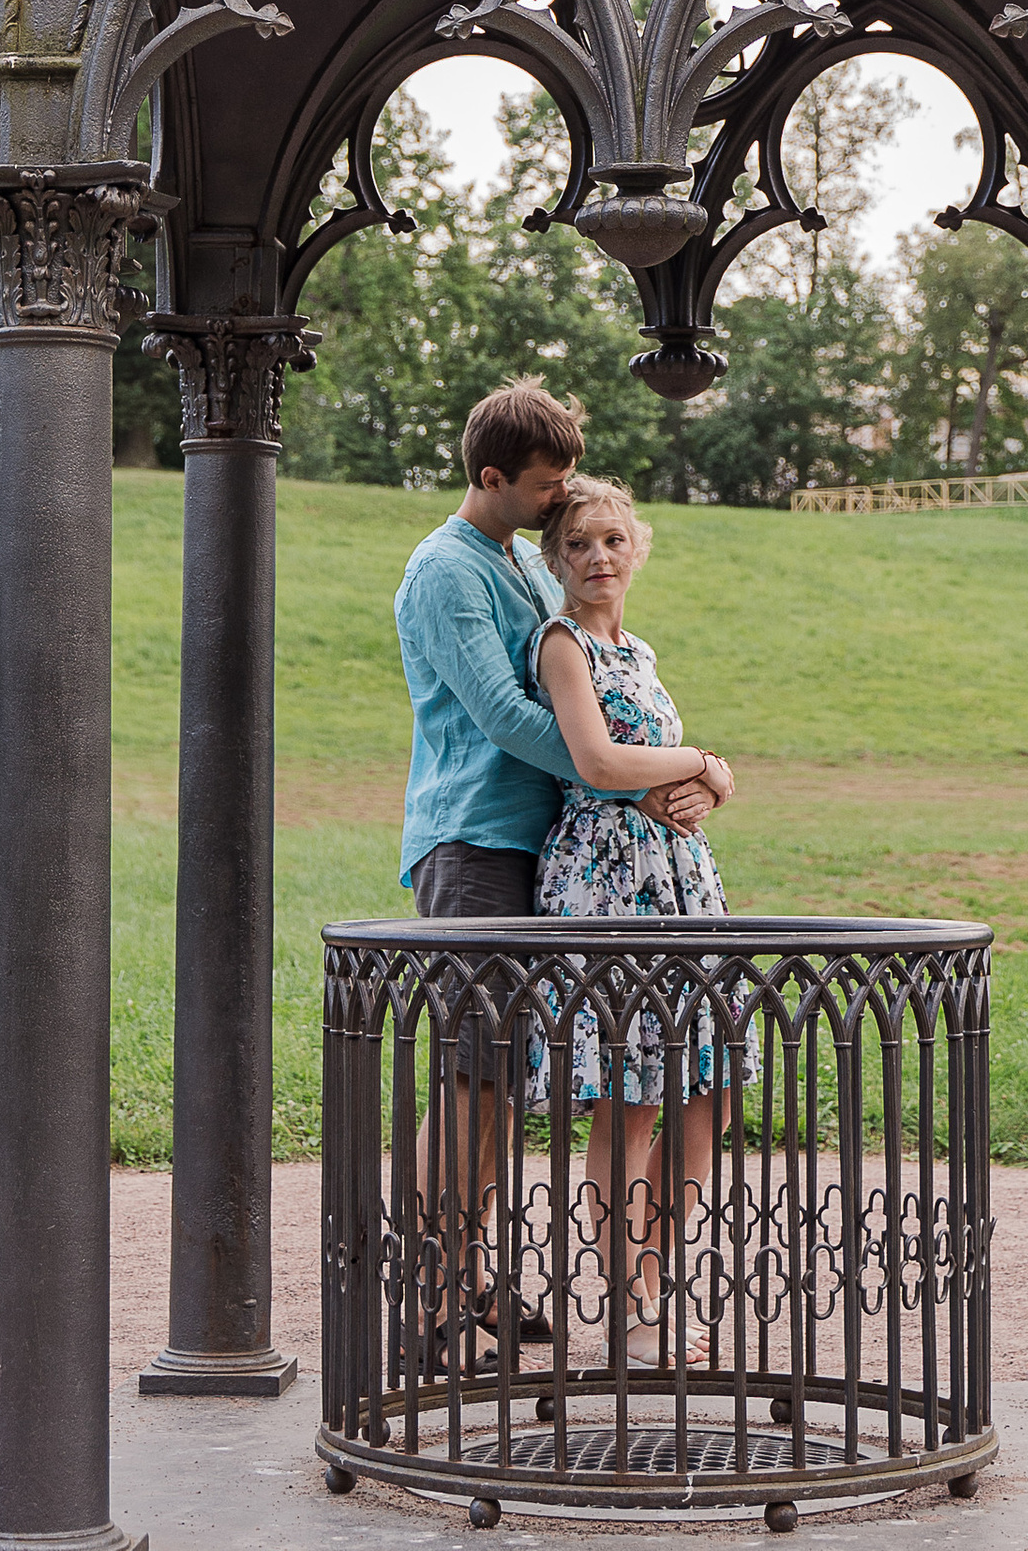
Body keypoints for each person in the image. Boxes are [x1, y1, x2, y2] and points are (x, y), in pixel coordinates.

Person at [393, 384, 725, 1358]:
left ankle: (474, 1278)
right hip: (473, 840)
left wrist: (649, 781)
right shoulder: (447, 569)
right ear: (493, 476)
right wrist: (641, 781)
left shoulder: (514, 564)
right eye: (546, 487)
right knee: (472, 1076)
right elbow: (505, 715)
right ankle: (434, 1295)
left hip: (537, 844)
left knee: (501, 1081)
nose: (560, 503)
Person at [523, 474, 737, 1357]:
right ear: (556, 560)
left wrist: (705, 787)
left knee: (706, 1094)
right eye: (578, 544)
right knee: (633, 1096)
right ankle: (627, 1301)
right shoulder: (561, 644)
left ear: (637, 547)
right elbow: (598, 763)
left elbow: (651, 765)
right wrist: (704, 762)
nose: (598, 557)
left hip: (679, 879)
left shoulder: (637, 650)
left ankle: (655, 1275)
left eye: (613, 539)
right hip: (607, 879)